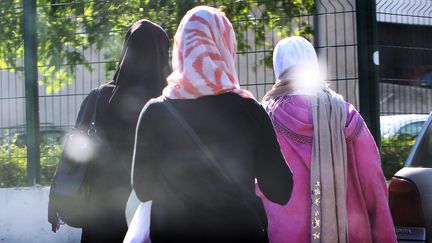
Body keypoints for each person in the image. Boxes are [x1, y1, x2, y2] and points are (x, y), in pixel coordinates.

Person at [132, 6, 293, 243]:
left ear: (181, 48)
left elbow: (142, 189)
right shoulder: (250, 111)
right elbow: (280, 190)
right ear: (226, 45)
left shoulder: (156, 111)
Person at [257, 36, 397, 243]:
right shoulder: (346, 115)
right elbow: (373, 183)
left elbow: (256, 187)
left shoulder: (264, 118)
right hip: (350, 233)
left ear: (279, 68)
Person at [79, 20, 170, 243]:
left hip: (101, 213)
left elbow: (75, 152)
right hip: (151, 214)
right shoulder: (170, 103)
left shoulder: (99, 97)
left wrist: (59, 199)